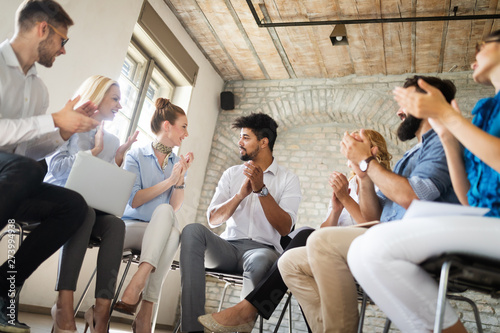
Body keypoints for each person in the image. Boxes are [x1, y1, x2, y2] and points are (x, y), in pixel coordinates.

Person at [278, 76, 459, 333]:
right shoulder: (411, 154)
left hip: (418, 242)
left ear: (427, 101)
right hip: (387, 236)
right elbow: (373, 215)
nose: (398, 111)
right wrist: (362, 176)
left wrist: (367, 163)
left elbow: (415, 196)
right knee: (289, 262)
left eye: (404, 101)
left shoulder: (442, 141)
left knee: (322, 240)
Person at [348, 31, 500, 333]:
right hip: (483, 220)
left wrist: (447, 117)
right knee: (363, 253)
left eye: (483, 46)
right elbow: (469, 199)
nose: (476, 54)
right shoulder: (484, 111)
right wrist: (446, 135)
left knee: (374, 247)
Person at [198, 130, 392, 332]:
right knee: (302, 248)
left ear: (372, 150)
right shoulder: (350, 184)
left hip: (356, 256)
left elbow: (372, 226)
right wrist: (336, 210)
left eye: (356, 143)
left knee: (302, 241)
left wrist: (345, 199)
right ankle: (254, 305)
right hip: (331, 253)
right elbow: (323, 232)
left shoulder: (382, 183)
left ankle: (248, 309)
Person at [0, 1, 99, 332]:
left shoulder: (38, 89)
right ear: (43, 29)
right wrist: (52, 118)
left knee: (74, 207)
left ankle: (2, 288)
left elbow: (26, 151)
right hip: (9, 176)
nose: (63, 50)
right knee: (29, 171)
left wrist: (62, 131)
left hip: (10, 180)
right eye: (63, 40)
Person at [180, 113, 301, 333]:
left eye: (246, 137)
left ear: (263, 142)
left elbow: (285, 228)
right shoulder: (231, 174)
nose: (240, 142)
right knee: (192, 231)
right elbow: (213, 220)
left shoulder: (288, 179)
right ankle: (191, 329)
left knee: (260, 260)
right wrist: (239, 195)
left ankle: (241, 327)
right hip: (227, 248)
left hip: (262, 251)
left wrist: (261, 191)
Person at [44, 75, 138, 333]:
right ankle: (63, 305)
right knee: (82, 212)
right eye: (115, 99)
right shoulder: (71, 124)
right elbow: (55, 169)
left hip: (90, 207)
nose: (120, 106)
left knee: (116, 225)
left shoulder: (113, 140)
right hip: (57, 202)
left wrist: (117, 159)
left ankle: (101, 313)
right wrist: (92, 153)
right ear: (97, 96)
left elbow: (101, 183)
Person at [113, 98, 193, 333]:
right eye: (184, 126)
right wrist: (169, 180)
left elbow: (174, 206)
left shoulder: (176, 164)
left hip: (157, 232)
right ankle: (144, 307)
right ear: (167, 126)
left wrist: (179, 180)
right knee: (172, 231)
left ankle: (139, 289)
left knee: (171, 228)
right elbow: (134, 200)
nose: (186, 133)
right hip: (132, 226)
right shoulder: (135, 154)